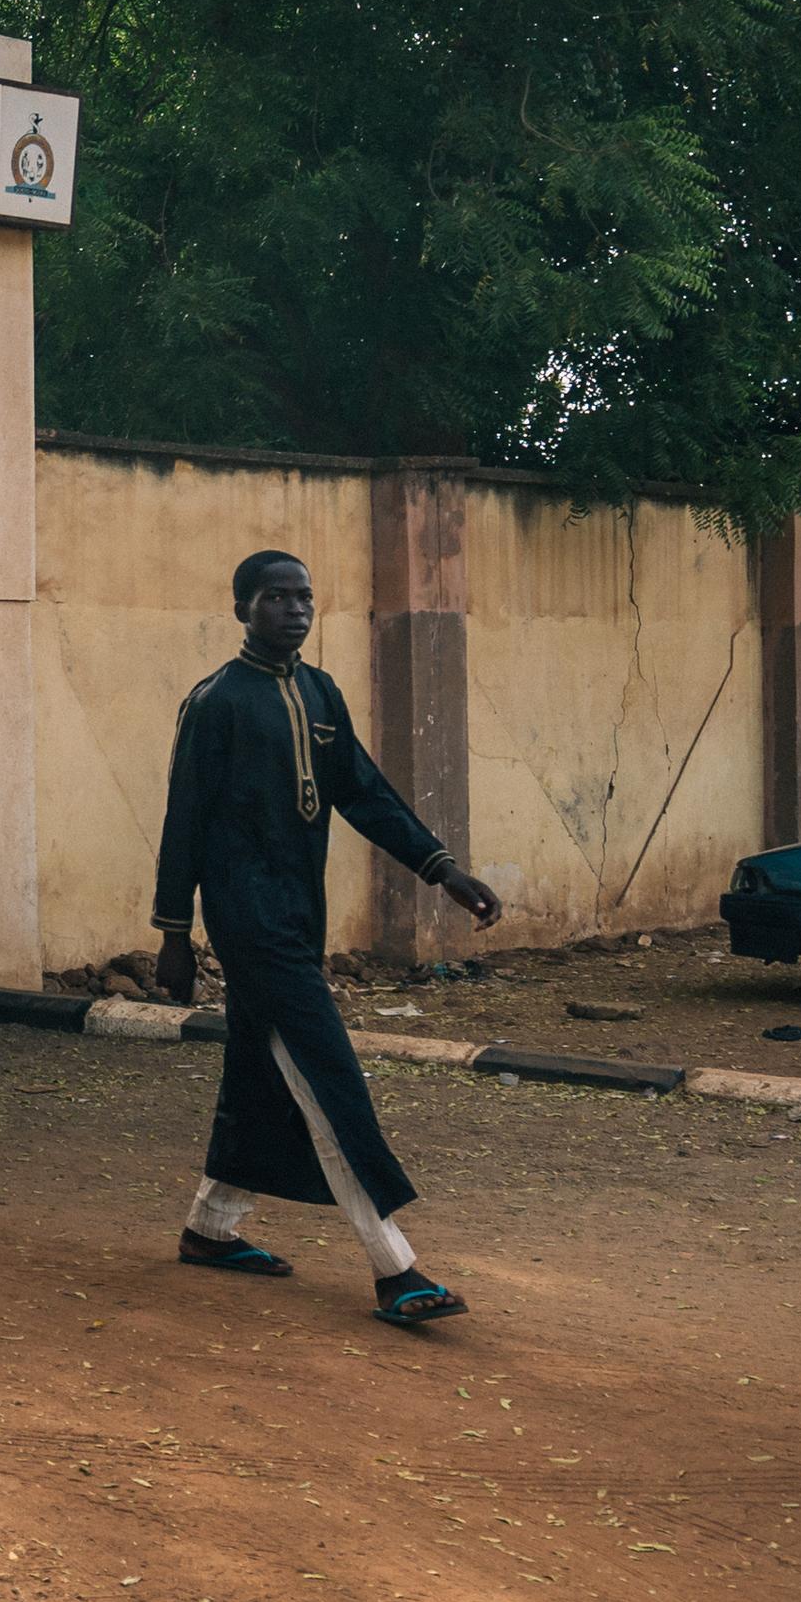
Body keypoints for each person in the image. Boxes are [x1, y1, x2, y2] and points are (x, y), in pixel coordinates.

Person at [153, 549, 504, 1327]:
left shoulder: (319, 693)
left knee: (259, 1065)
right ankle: (394, 1267)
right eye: (276, 597)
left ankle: (211, 1229)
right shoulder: (216, 702)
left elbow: (365, 793)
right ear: (243, 606)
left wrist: (441, 867)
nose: (295, 609)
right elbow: (183, 822)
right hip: (247, 920)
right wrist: (174, 933)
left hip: (298, 913)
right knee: (325, 1074)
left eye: (306, 596)